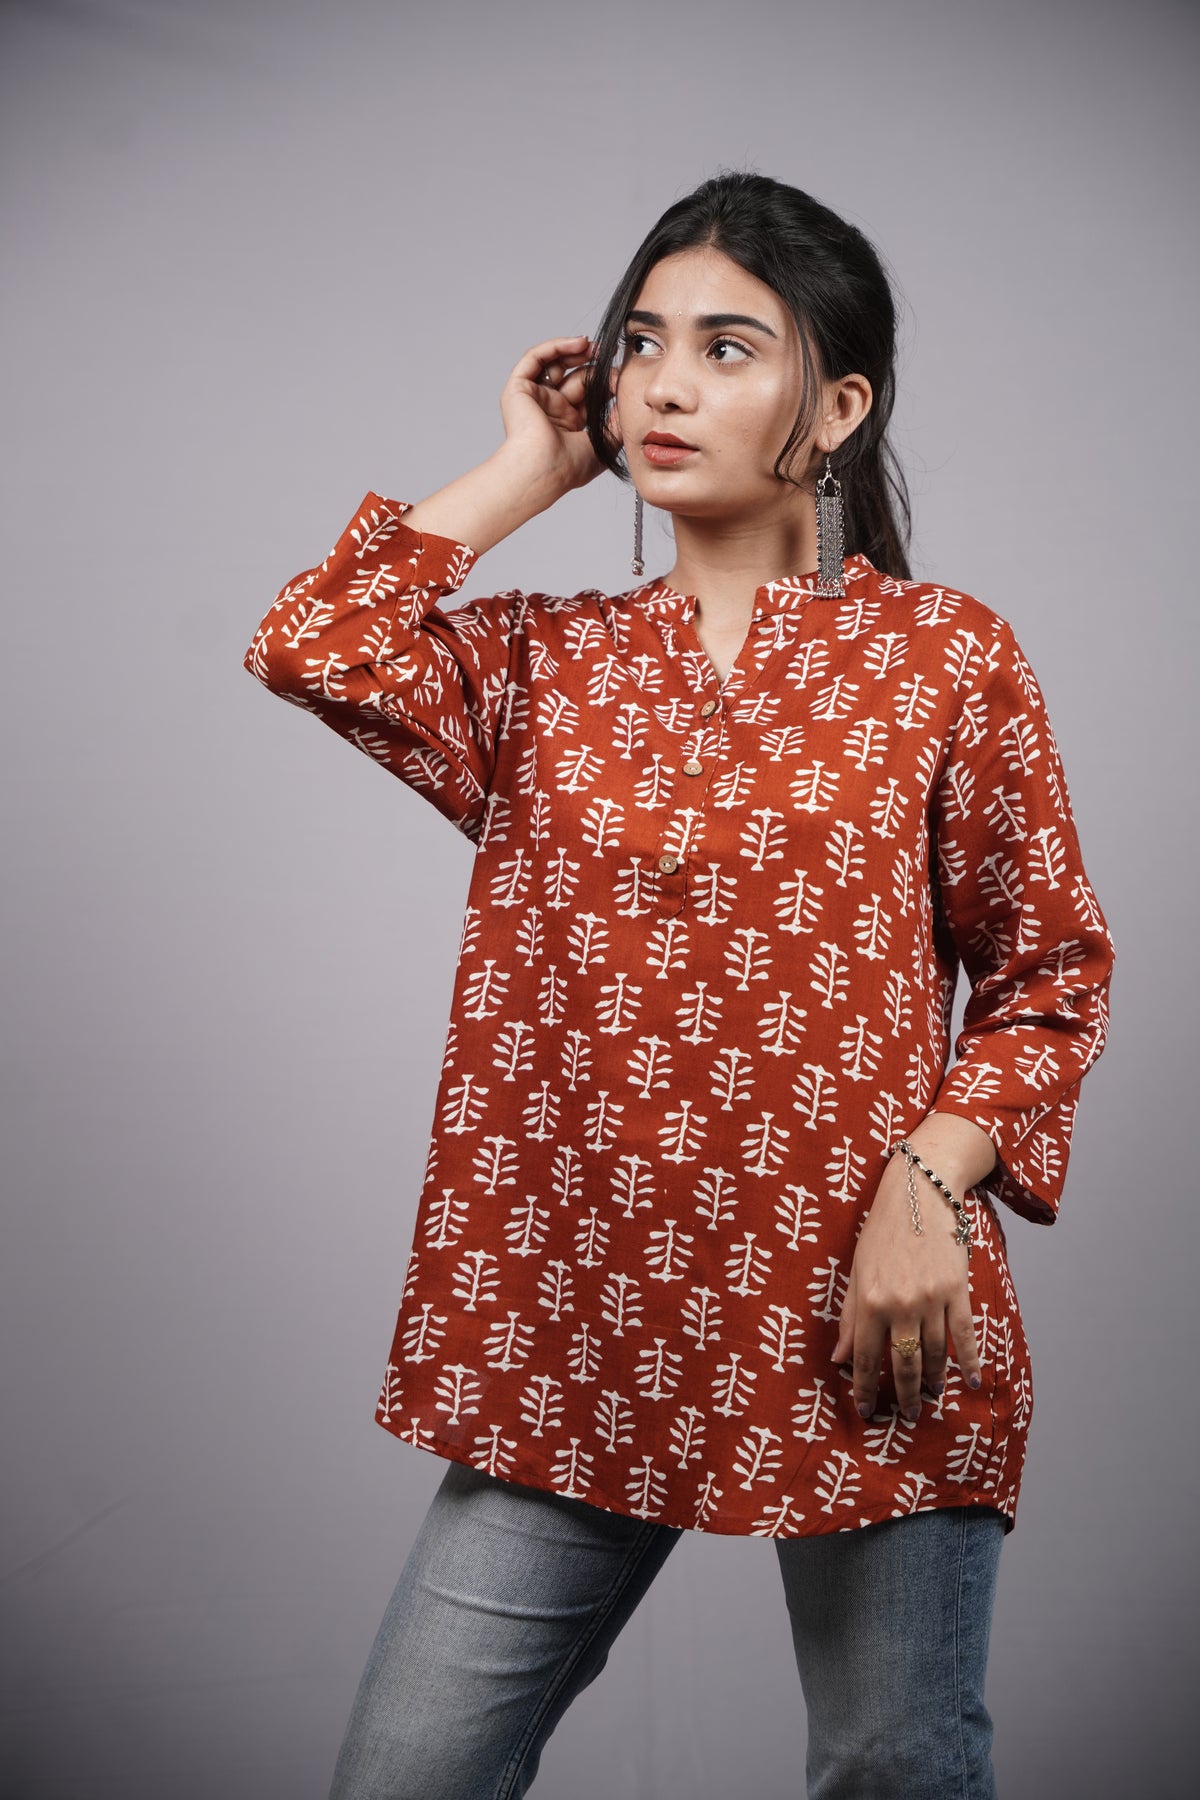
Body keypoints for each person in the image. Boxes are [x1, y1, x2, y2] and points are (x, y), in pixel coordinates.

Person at [244, 171, 1114, 1799]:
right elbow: (315, 641)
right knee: (405, 1773)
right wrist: (530, 466)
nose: (663, 384)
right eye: (642, 343)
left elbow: (1049, 972)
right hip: (578, 1326)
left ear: (837, 408)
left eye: (726, 348)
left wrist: (933, 1184)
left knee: (893, 1770)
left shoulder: (945, 657)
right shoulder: (540, 665)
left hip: (870, 1324)